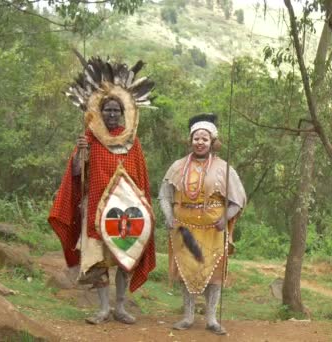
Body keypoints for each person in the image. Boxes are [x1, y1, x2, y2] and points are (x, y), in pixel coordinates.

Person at [49, 56, 155, 325]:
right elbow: (75, 175)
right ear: (99, 111)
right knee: (98, 261)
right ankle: (103, 309)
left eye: (115, 111)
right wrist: (80, 155)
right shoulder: (89, 138)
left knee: (124, 258)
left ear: (123, 113)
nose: (110, 114)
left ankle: (120, 307)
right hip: (95, 209)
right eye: (106, 110)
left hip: (126, 214)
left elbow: (141, 179)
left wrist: (144, 207)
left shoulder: (132, 141)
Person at [159, 113, 246, 335]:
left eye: (204, 139)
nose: (200, 142)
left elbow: (238, 200)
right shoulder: (177, 166)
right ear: (191, 140)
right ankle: (187, 316)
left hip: (213, 231)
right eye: (196, 138)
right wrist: (169, 217)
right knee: (186, 272)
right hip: (184, 230)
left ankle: (211, 319)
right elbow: (164, 195)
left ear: (212, 142)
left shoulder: (224, 168)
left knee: (214, 275)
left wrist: (224, 218)